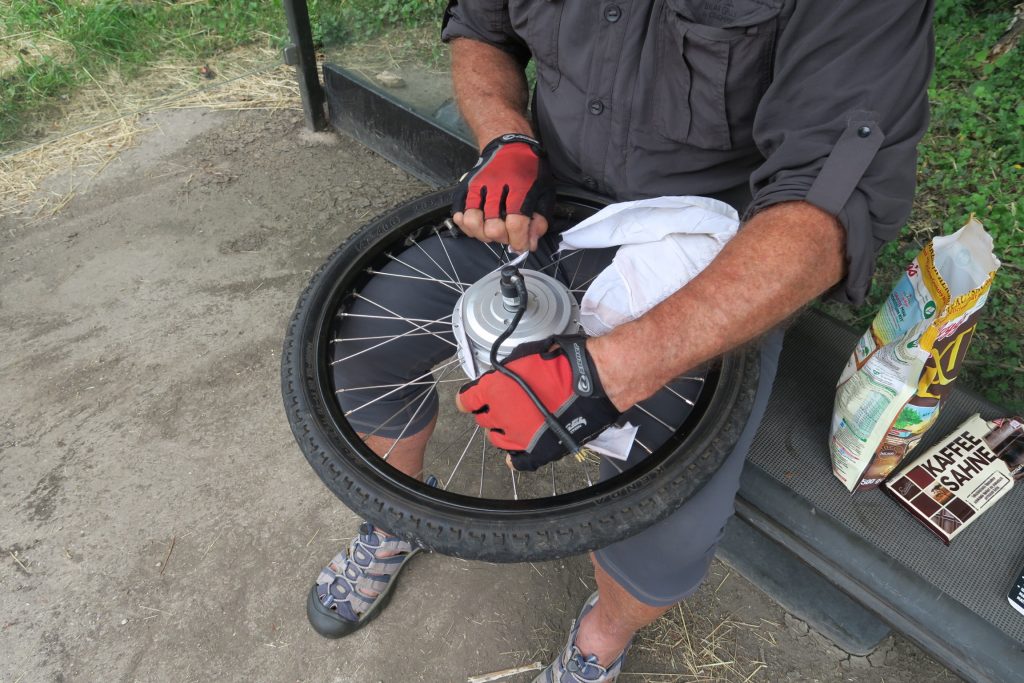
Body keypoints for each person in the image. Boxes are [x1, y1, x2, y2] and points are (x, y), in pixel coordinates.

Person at [306, 1, 935, 680]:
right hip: (543, 202)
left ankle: (600, 639)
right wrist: (505, 139)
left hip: (705, 251)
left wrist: (608, 372)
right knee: (359, 342)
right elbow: (480, 30)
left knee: (669, 524)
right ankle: (398, 517)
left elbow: (828, 207)